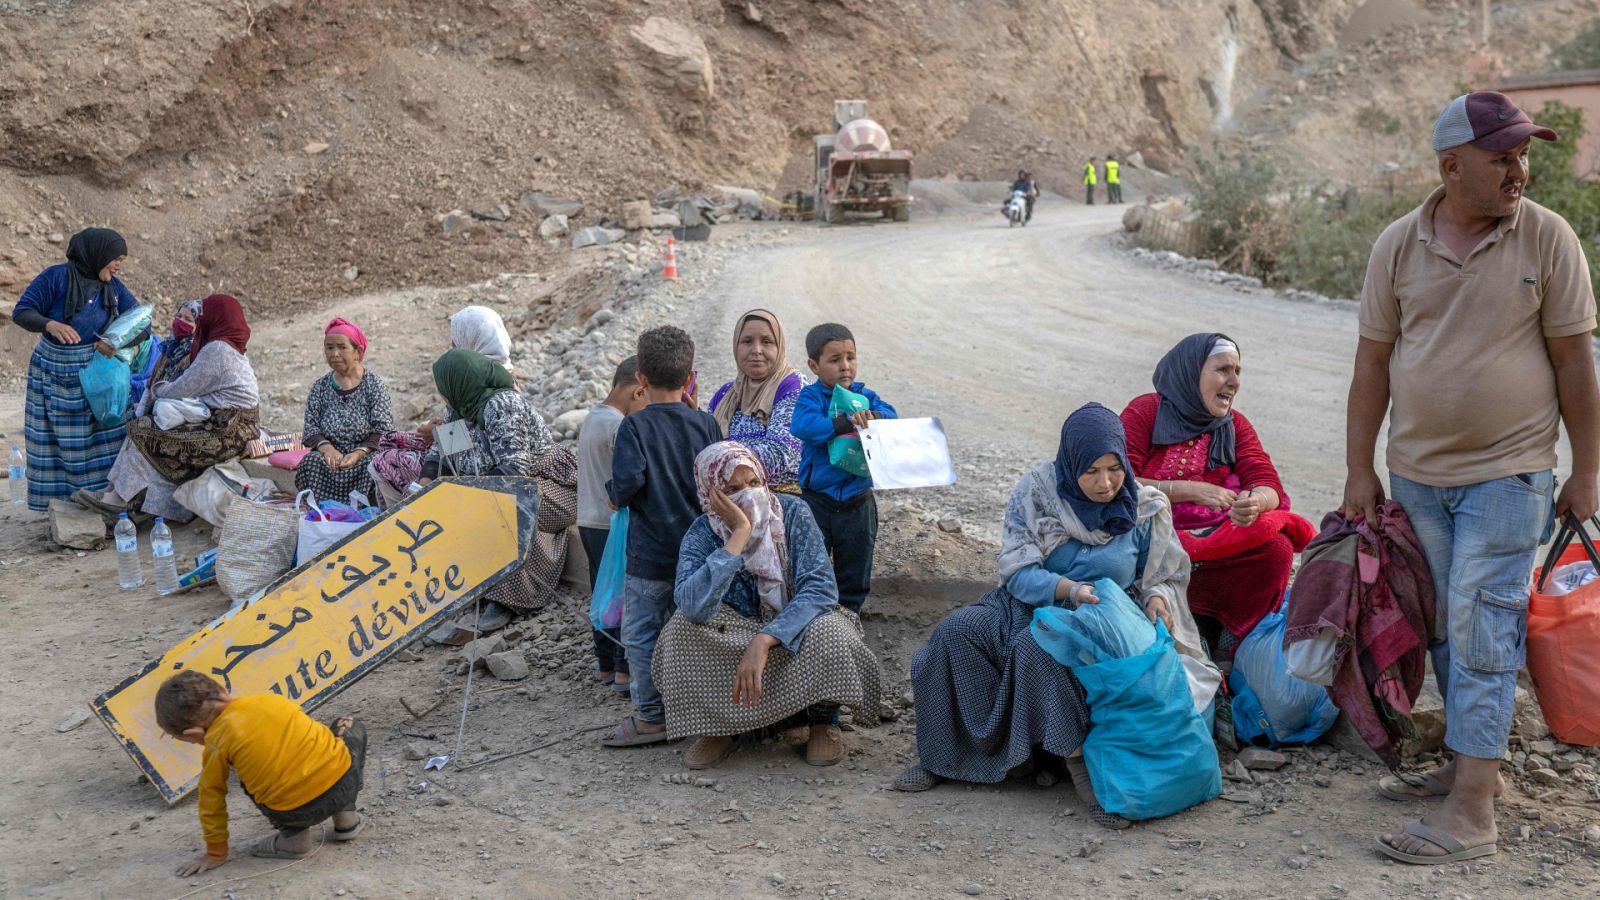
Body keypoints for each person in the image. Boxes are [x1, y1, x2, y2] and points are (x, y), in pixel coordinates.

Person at [1346, 92, 1599, 865]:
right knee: (1449, 631)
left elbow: (1574, 363)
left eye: (1524, 155)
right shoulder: (1397, 245)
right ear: (1452, 167)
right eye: (1503, 157)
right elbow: (1373, 365)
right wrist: (1360, 469)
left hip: (1510, 474)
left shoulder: (1548, 239)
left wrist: (1587, 468)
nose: (1520, 170)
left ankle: (1473, 811)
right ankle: (1468, 763)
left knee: (1486, 625)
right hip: (1418, 478)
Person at [895, 403, 1219, 830]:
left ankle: (1080, 769)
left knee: (1039, 647)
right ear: (1070, 464)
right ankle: (944, 756)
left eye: (1113, 469)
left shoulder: (1144, 507)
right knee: (956, 632)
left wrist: (1157, 598)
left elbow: (1162, 573)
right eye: (1091, 472)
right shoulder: (1036, 493)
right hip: (1029, 601)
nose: (1105, 483)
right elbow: (1017, 570)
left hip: (1105, 614)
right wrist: (1065, 589)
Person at [655, 442, 881, 768]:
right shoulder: (703, 532)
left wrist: (766, 638)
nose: (747, 496)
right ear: (710, 493)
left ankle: (822, 719)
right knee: (679, 631)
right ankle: (720, 726)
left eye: (754, 483)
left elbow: (819, 589)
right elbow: (692, 607)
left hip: (791, 628)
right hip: (735, 635)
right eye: (732, 489)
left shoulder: (792, 512)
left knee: (831, 629)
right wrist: (739, 535)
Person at [1121, 333, 1311, 658]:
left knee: (1277, 550)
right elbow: (1116, 479)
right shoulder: (1146, 411)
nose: (1234, 382)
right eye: (1223, 370)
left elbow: (1269, 485)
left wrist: (1255, 503)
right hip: (1154, 545)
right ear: (1192, 371)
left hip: (1210, 549)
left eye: (1237, 372)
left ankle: (1229, 640)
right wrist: (1189, 491)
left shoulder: (1235, 426)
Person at [602, 326, 723, 748]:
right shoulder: (707, 424)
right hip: (700, 557)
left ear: (641, 380)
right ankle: (697, 709)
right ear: (690, 378)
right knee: (692, 633)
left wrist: (611, 494)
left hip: (650, 558)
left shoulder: (634, 429)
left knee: (641, 636)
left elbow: (626, 486)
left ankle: (653, 717)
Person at [155, 671, 366, 876]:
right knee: (347, 725)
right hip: (342, 786)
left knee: (249, 779)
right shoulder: (271, 700)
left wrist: (215, 853)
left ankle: (294, 841)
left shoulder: (216, 743)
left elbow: (212, 800)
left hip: (293, 812)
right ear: (223, 689)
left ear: (193, 733)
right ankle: (347, 817)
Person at [77, 294, 258, 523]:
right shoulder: (222, 346)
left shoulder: (218, 350)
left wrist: (157, 392)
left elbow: (182, 388)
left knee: (145, 431)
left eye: (202, 315)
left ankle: (125, 501)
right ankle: (119, 494)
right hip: (221, 422)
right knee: (146, 428)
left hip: (230, 431)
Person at [421, 348, 574, 616]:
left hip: (545, 484)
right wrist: (425, 481)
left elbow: (514, 469)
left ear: (459, 381)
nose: (441, 393)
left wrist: (474, 498)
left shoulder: (501, 404)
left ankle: (511, 599)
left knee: (503, 515)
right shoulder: (459, 408)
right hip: (496, 486)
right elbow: (439, 453)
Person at [12, 227, 142, 511]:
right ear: (96, 254)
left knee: (107, 435)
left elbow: (140, 323)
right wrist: (50, 324)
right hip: (53, 374)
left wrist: (115, 342)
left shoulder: (113, 287)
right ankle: (66, 506)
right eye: (115, 258)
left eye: (121, 259)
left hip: (96, 376)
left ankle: (107, 500)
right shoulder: (55, 278)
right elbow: (22, 312)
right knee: (62, 442)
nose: (118, 265)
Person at [789, 323, 897, 613]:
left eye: (850, 357)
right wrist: (845, 422)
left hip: (858, 500)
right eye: (834, 360)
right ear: (814, 365)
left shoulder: (865, 396)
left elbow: (891, 416)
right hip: (817, 501)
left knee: (856, 569)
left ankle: (850, 618)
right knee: (813, 566)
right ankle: (815, 619)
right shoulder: (811, 398)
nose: (845, 366)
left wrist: (872, 416)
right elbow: (803, 426)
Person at [366, 305, 514, 505]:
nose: (453, 345)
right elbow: (455, 434)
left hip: (480, 472)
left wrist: (441, 434)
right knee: (390, 441)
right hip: (463, 457)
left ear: (470, 339)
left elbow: (493, 453)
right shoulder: (469, 375)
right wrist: (422, 483)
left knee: (386, 461)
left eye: (457, 341)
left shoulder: (499, 392)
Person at [578, 355, 647, 692]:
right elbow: (628, 479)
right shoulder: (619, 426)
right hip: (614, 526)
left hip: (589, 522)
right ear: (638, 391)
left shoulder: (593, 417)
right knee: (623, 598)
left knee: (601, 595)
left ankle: (605, 664)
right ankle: (623, 671)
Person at [294, 317, 395, 504]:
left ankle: (364, 517)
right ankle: (323, 515)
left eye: (342, 347)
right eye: (329, 348)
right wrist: (327, 449)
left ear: (358, 352)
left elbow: (384, 430)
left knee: (375, 465)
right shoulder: (320, 387)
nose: (334, 354)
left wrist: (358, 453)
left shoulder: (374, 385)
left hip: (363, 456)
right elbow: (311, 428)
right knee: (310, 462)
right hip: (330, 459)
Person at [708, 309, 804, 489]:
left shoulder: (792, 386)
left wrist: (726, 465)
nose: (756, 350)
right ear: (736, 346)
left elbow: (783, 451)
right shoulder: (726, 394)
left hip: (782, 497)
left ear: (779, 347)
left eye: (766, 342)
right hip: (729, 495)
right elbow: (705, 444)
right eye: (747, 341)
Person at [150, 299, 204, 388]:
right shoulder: (169, 345)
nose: (180, 321)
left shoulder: (197, 356)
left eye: (188, 319)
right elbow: (152, 380)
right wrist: (143, 402)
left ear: (198, 326)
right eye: (178, 316)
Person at [449, 305, 515, 374]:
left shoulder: (470, 381)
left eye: (460, 336)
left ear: (474, 338)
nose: (453, 343)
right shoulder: (507, 377)